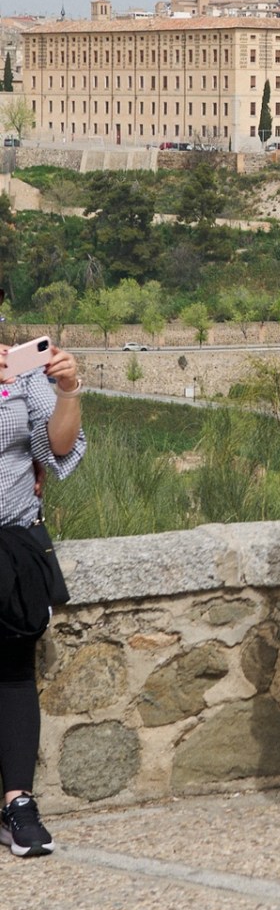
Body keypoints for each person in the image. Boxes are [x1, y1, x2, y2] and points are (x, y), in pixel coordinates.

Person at [0, 306, 85, 859]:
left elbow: (56, 449)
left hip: (11, 545)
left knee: (12, 672)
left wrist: (69, 390)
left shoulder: (25, 377)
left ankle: (17, 804)